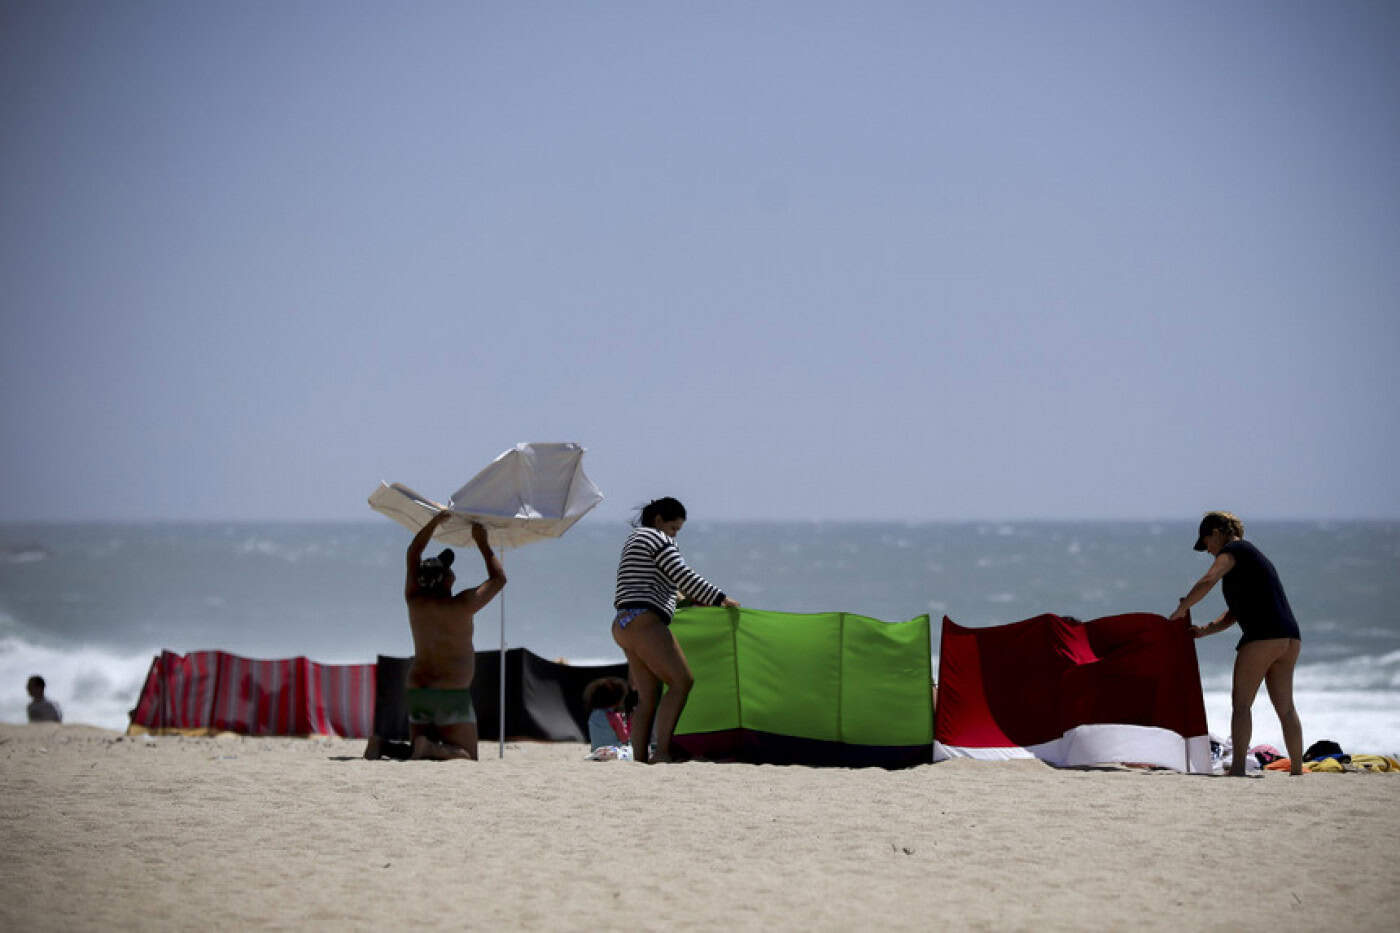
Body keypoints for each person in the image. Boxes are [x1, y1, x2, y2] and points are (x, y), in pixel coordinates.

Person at [1169, 511, 1303, 776]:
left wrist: (1182, 609)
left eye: (1206, 543)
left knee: (1241, 705)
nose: (1208, 551)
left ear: (1217, 533)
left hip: (1262, 637)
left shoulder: (1234, 550)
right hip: (1288, 638)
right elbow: (1233, 614)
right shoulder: (1253, 558)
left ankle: (1239, 768)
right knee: (1286, 708)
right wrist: (1204, 631)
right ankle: (1297, 770)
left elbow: (1208, 580)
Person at [611, 497, 739, 763]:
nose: (674, 534)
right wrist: (719, 598)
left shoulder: (633, 540)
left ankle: (639, 758)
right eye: (674, 528)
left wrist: (680, 599)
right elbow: (683, 575)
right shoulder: (659, 539)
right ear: (659, 521)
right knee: (682, 682)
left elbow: (653, 584)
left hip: (623, 623)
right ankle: (662, 752)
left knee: (648, 696)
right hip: (645, 623)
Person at [403, 510, 506, 761]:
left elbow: (413, 553)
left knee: (415, 746)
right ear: (447, 580)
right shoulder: (462, 605)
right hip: (451, 693)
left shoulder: (414, 600)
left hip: (418, 688)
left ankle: (382, 746)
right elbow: (499, 579)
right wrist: (482, 543)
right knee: (467, 755)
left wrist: (435, 522)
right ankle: (430, 748)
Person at [582, 676, 631, 751]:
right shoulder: (613, 716)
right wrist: (629, 723)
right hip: (613, 751)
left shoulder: (593, 715)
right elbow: (624, 738)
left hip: (596, 751)